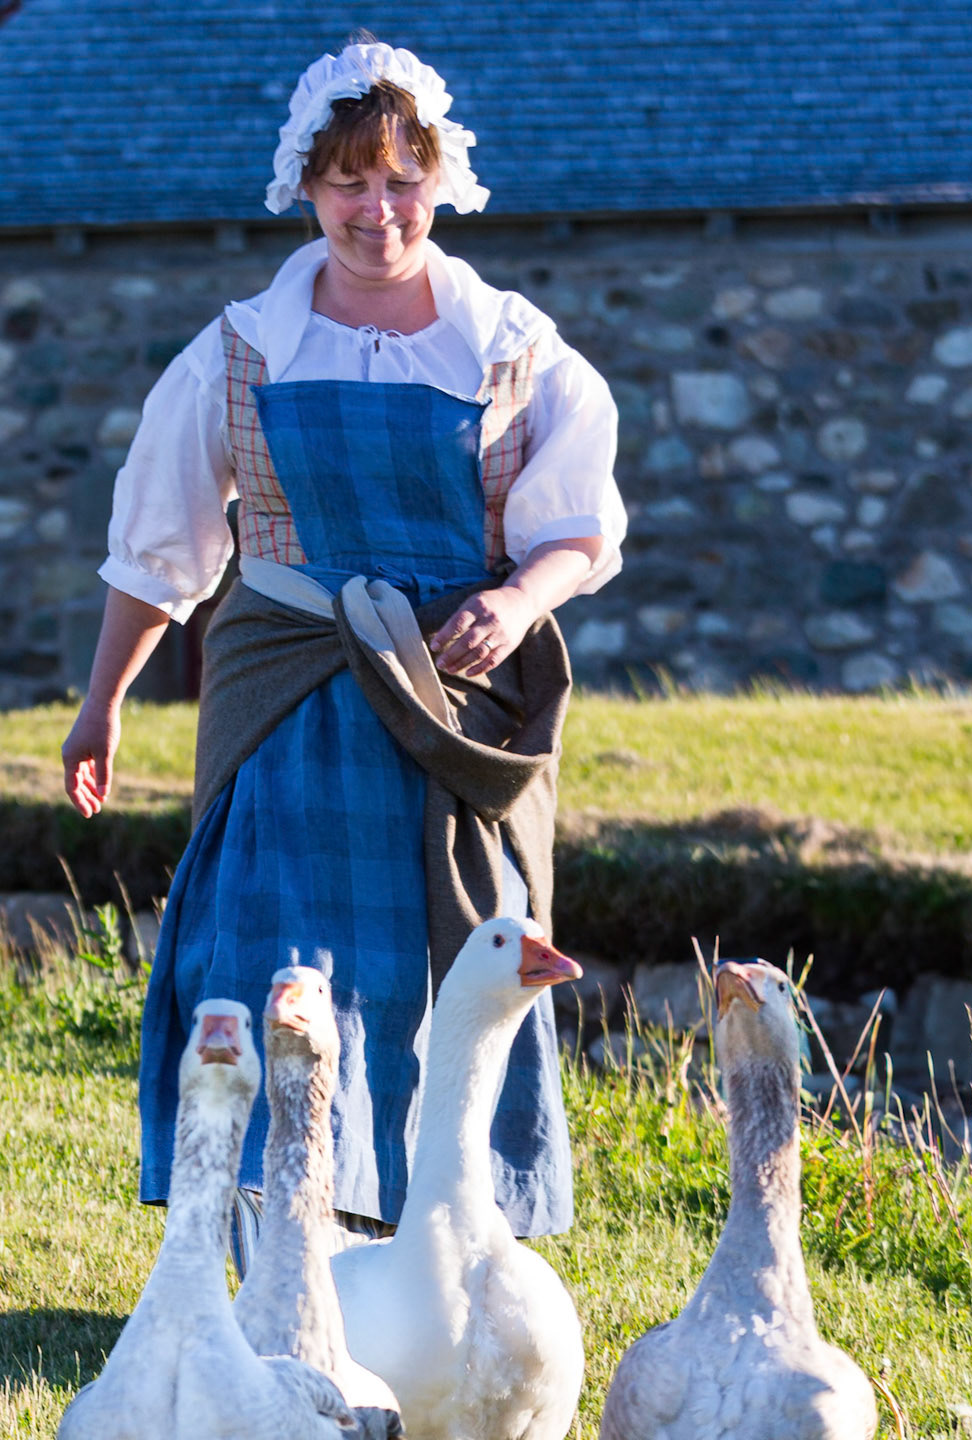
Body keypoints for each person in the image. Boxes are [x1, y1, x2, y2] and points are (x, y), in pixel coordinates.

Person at [59, 37, 625, 1255]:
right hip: (287, 699)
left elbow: (579, 529)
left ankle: (443, 1257)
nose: (378, 211)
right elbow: (161, 548)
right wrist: (103, 700)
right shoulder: (240, 350)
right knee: (266, 956)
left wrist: (519, 603)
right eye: (350, 183)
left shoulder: (515, 347)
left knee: (447, 969)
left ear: (443, 179)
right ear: (308, 190)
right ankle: (277, 1251)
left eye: (402, 179)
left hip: (449, 704)